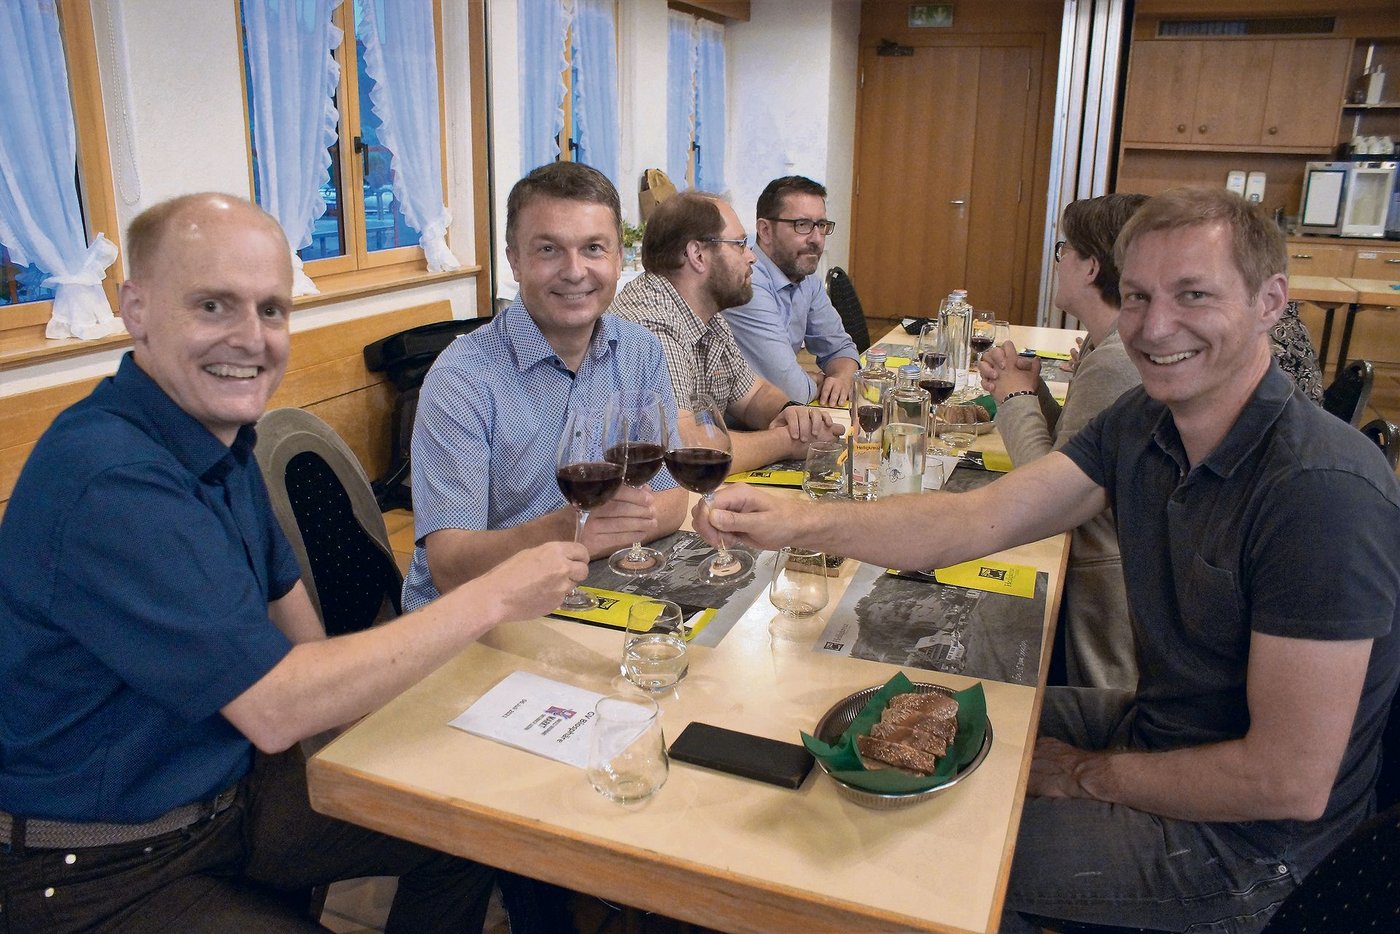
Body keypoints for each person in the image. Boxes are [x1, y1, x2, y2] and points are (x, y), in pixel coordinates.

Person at [695, 188, 1400, 933]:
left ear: (1270, 302)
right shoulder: (1148, 420)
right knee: (877, 722)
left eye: (1194, 295)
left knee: (922, 855)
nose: (1155, 326)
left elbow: (1286, 782)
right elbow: (975, 519)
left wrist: (1087, 775)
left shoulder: (1320, 492)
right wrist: (801, 520)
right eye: (1138, 296)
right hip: (1158, 725)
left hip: (1252, 848)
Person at [0, 193, 588, 932]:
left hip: (231, 799)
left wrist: (423, 752)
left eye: (271, 309)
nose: (251, 338)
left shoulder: (218, 436)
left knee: (466, 830)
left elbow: (301, 638)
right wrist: (493, 596)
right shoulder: (112, 477)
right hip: (100, 867)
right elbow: (277, 709)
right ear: (136, 309)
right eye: (213, 305)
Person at [401, 162, 687, 613]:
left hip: (592, 592)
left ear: (618, 259)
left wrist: (591, 537)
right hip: (476, 617)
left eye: (593, 248)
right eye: (549, 249)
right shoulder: (461, 378)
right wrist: (570, 530)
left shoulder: (639, 350)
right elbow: (450, 567)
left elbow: (672, 499)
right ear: (515, 260)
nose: (575, 271)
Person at [977, 193, 1148, 690]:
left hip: (1097, 603)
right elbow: (1084, 448)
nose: (1058, 262)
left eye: (1063, 249)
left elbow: (1049, 498)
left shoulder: (1116, 360)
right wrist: (1035, 392)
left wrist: (1015, 399)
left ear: (1091, 267)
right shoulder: (1105, 343)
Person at [610, 190, 843, 473]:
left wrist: (792, 414)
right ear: (697, 255)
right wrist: (788, 441)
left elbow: (754, 395)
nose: (752, 257)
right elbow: (685, 449)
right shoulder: (651, 325)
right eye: (740, 245)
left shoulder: (708, 315)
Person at [722, 175, 861, 406]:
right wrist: (817, 381)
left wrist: (842, 378)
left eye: (822, 225)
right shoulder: (747, 282)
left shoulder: (807, 279)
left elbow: (840, 348)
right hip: (736, 422)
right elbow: (790, 390)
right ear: (765, 230)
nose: (817, 239)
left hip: (779, 413)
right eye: (802, 225)